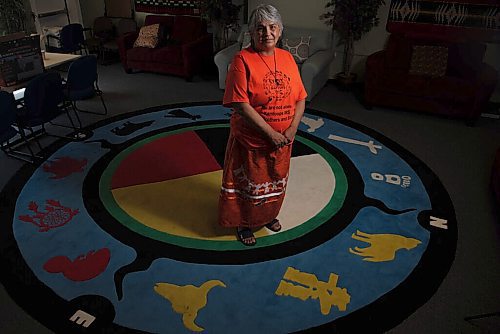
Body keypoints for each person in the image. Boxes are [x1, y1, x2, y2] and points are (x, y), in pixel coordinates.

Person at [218, 4, 307, 246]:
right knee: (249, 184)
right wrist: (270, 133)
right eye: (260, 28)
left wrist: (291, 130)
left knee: (275, 180)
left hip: (283, 139)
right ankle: (244, 223)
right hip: (252, 139)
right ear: (252, 33)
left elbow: (300, 97)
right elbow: (240, 104)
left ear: (279, 31)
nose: (266, 33)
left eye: (272, 27)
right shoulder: (241, 60)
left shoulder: (287, 58)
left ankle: (267, 216)